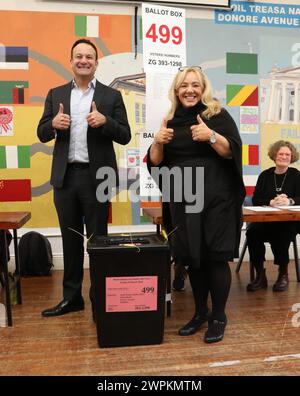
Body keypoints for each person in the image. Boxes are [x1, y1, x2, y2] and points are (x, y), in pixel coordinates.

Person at [147, 66, 245, 343]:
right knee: (193, 258)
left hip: (217, 200)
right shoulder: (170, 120)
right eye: (184, 85)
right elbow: (155, 162)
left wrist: (211, 136)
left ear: (203, 89)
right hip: (183, 199)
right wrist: (158, 143)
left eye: (195, 85)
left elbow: (233, 150)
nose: (190, 90)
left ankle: (219, 316)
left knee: (215, 257)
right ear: (176, 90)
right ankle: (200, 312)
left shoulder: (216, 115)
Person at [37, 39, 131, 317]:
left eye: (89, 56)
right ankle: (72, 298)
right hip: (65, 178)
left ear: (96, 63)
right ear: (71, 61)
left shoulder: (111, 96)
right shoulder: (56, 94)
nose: (84, 60)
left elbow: (125, 135)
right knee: (70, 239)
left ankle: (100, 298)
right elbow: (41, 132)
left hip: (97, 178)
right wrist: (52, 125)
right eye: (79, 56)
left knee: (98, 240)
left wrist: (106, 122)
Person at [246, 140, 300, 292]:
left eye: (287, 154)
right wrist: (272, 201)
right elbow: (256, 199)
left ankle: (283, 273)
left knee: (282, 231)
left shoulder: (296, 175)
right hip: (266, 219)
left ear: (292, 157)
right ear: (274, 155)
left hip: (289, 222)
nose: (284, 157)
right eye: (281, 153)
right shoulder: (265, 175)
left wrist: (288, 201)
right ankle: (260, 275)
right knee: (252, 232)